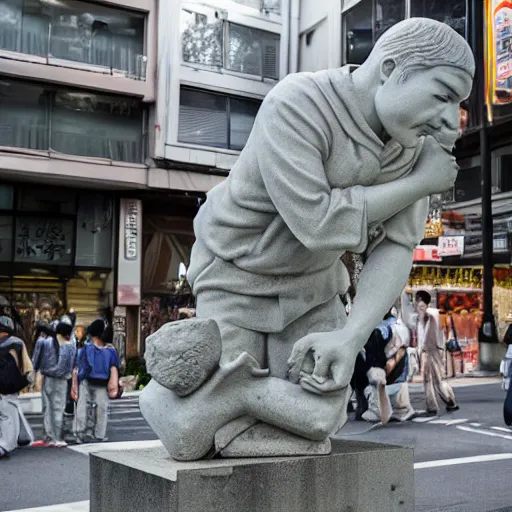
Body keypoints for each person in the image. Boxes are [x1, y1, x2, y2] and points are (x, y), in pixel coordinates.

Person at [141, 18, 474, 460]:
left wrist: (352, 336)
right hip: (236, 272)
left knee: (320, 419)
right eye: (442, 95)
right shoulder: (298, 103)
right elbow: (316, 224)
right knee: (191, 441)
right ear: (391, 69)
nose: (451, 120)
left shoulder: (414, 147)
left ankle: (237, 392)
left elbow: (396, 246)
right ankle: (205, 399)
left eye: (459, 103)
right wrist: (419, 185)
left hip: (314, 288)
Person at [403, 290, 459, 415]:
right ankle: (441, 403)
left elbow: (429, 335)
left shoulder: (431, 316)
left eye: (419, 302)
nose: (417, 306)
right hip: (429, 351)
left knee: (431, 380)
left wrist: (423, 349)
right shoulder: (425, 316)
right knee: (433, 380)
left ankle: (443, 404)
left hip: (430, 351)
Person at [31, 320, 76, 447]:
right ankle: (57, 438)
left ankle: (48, 437)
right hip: (61, 380)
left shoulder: (43, 342)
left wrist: (34, 375)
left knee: (47, 409)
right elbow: (67, 366)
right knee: (58, 408)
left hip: (47, 379)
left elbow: (35, 361)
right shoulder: (69, 345)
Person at [75, 319, 120, 443]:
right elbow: (114, 368)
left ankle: (82, 432)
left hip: (87, 381)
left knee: (84, 408)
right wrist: (114, 383)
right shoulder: (110, 351)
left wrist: (76, 381)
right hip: (99, 383)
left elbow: (80, 368)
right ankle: (98, 434)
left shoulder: (87, 349)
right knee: (101, 409)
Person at [0, 316, 34, 458]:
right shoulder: (17, 343)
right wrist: (29, 381)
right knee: (8, 417)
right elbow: (27, 367)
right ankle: (4, 447)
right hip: (9, 389)